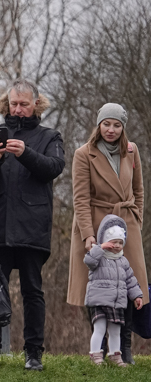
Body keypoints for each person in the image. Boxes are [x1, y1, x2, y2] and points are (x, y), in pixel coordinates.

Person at [0, 79, 65, 371]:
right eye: (14, 103)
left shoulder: (50, 136)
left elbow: (54, 168)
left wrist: (25, 152)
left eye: (24, 104)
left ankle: (33, 354)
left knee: (32, 291)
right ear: (6, 103)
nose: (18, 109)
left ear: (35, 105)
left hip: (32, 227)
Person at [69, 103, 145, 365]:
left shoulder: (131, 152)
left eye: (116, 125)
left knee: (128, 285)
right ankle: (98, 349)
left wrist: (137, 219)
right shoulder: (83, 154)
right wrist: (88, 235)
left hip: (127, 226)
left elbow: (139, 190)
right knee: (99, 287)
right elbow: (80, 198)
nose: (111, 130)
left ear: (123, 127)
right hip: (96, 224)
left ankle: (124, 349)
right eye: (106, 124)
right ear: (98, 125)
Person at [84, 215, 143, 366]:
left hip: (116, 303)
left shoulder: (123, 261)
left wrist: (137, 296)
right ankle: (96, 356)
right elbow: (88, 260)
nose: (116, 246)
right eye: (113, 242)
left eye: (120, 242)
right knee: (99, 328)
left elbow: (131, 280)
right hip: (99, 301)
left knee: (115, 331)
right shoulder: (99, 257)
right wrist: (101, 247)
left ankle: (115, 356)